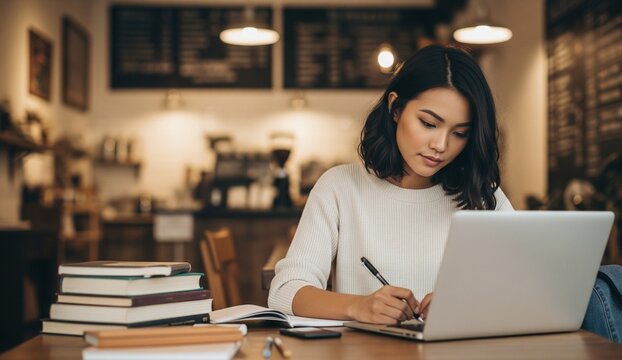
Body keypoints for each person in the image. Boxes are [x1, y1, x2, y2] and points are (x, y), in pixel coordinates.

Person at [268, 44, 514, 325]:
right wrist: (359, 307)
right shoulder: (340, 187)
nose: (441, 145)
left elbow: (525, 288)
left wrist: (469, 305)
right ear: (395, 107)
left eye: (459, 133)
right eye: (429, 124)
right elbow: (284, 291)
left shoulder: (484, 195)